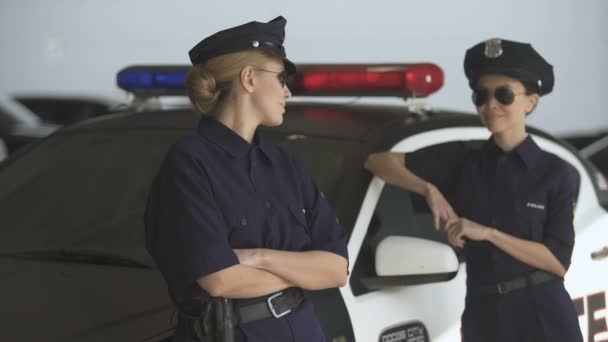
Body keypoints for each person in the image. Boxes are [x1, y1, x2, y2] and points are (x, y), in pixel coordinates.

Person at [144, 16, 348, 342]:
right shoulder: (190, 163)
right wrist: (303, 272)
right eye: (281, 79)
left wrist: (259, 257)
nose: (288, 92)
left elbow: (336, 270)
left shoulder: (285, 166)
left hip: (304, 330)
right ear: (249, 78)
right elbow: (220, 280)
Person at [364, 38, 583, 341]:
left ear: (530, 102)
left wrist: (488, 233)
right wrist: (428, 189)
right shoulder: (463, 162)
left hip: (541, 313)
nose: (491, 104)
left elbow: (557, 262)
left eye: (504, 94)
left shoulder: (553, 172)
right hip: (483, 313)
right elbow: (379, 162)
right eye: (481, 95)